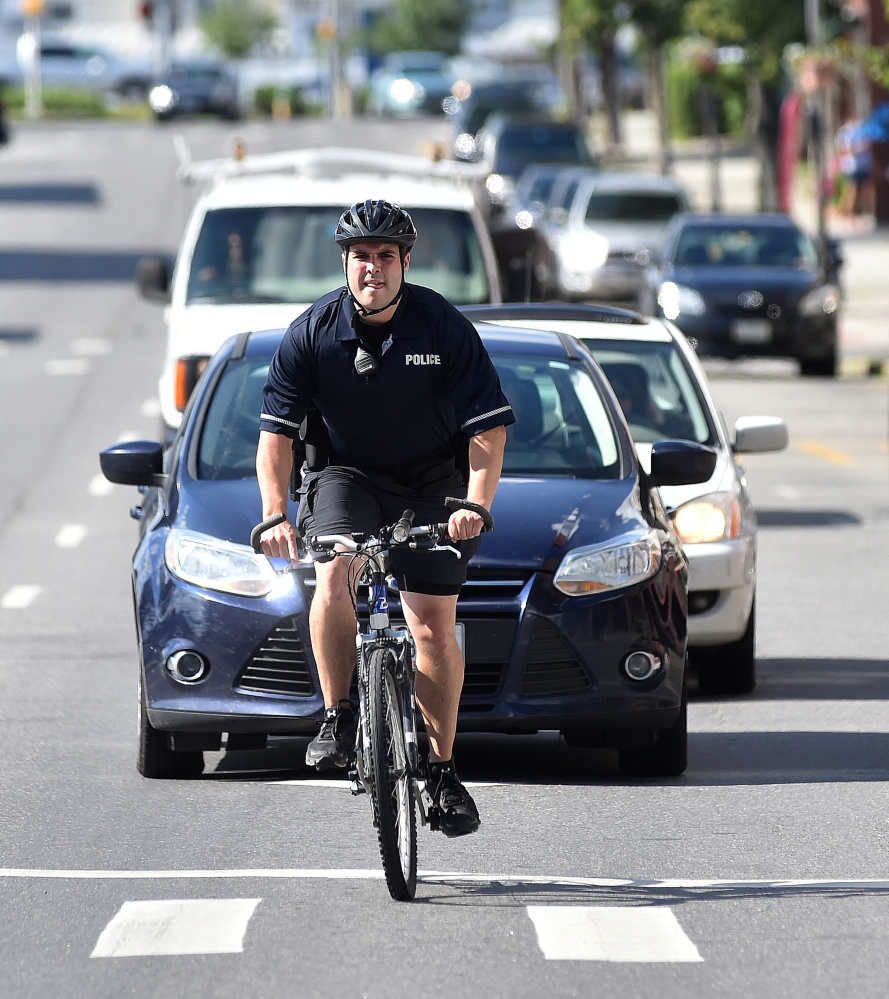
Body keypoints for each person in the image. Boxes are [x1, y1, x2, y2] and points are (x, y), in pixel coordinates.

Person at [255, 199, 514, 838]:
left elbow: (486, 433)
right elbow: (276, 442)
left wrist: (476, 505)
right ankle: (337, 715)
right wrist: (273, 516)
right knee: (335, 567)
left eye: (387, 257)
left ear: (405, 263)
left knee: (431, 626)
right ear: (345, 264)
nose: (375, 268)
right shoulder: (312, 332)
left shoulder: (441, 325)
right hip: (345, 476)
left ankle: (442, 769)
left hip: (432, 483)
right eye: (362, 257)